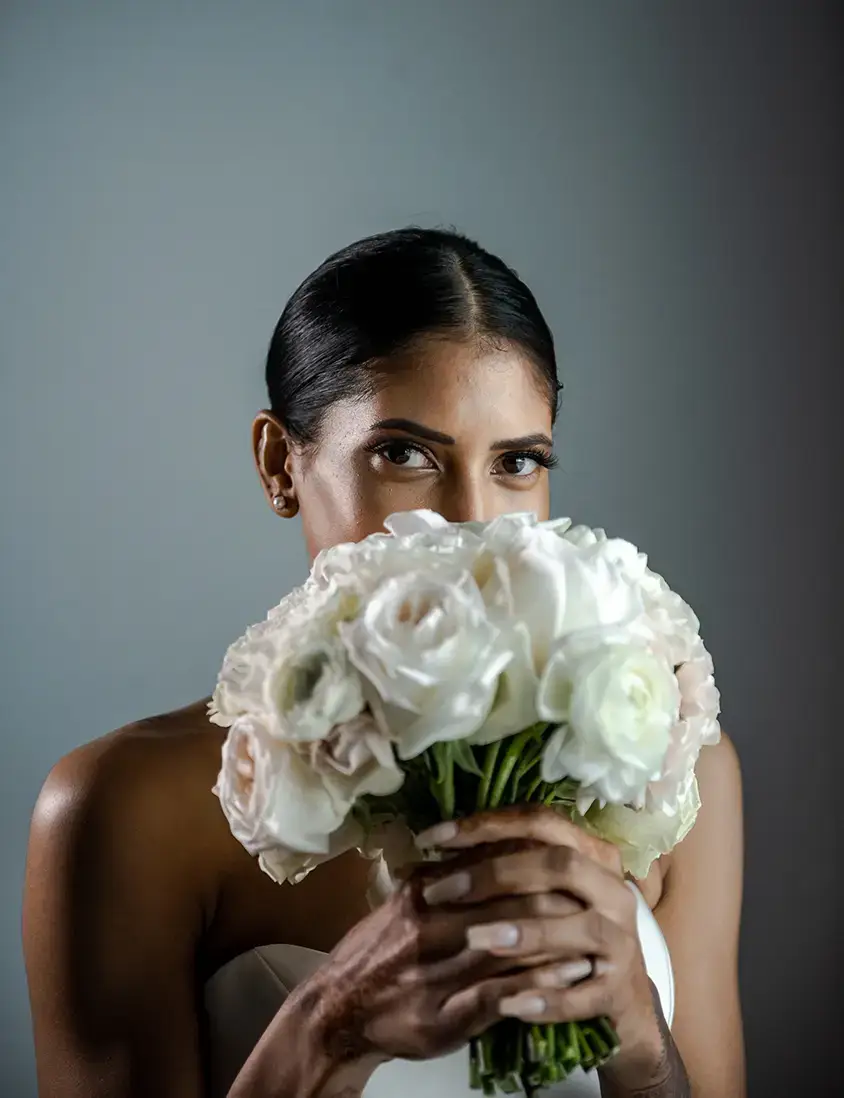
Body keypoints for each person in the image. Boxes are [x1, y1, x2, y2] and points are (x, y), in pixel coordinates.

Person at [23, 228, 745, 1098]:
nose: (473, 523)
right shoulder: (126, 808)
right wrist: (329, 1029)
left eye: (518, 463)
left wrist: (639, 1041)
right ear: (278, 464)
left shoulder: (669, 766)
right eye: (404, 455)